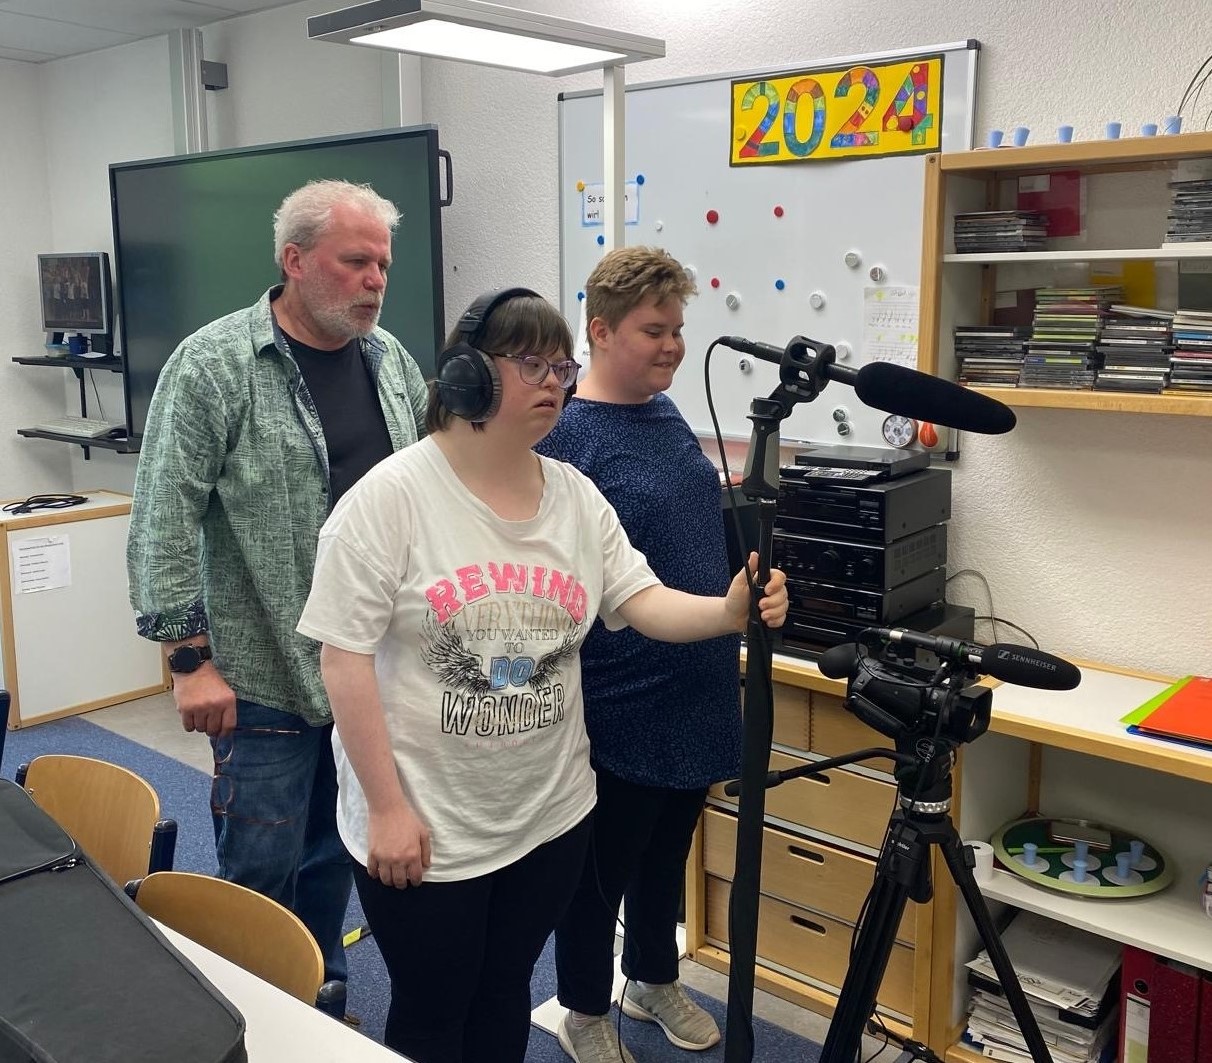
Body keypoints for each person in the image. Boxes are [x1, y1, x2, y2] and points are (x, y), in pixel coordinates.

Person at [294, 287, 788, 1063]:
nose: (556, 382)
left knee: (502, 995)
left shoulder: (575, 498)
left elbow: (641, 599)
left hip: (549, 816)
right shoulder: (387, 501)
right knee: (432, 1014)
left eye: (563, 365)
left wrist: (728, 613)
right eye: (532, 363)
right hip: (428, 827)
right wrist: (386, 808)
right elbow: (342, 656)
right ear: (466, 377)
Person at [126, 178, 429, 996]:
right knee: (263, 866)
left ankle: (322, 996)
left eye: (384, 265)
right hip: (262, 673)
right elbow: (161, 516)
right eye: (356, 261)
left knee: (336, 852)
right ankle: (257, 1012)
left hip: (365, 671)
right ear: (294, 261)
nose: (375, 280)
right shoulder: (214, 364)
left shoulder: (390, 361)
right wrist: (189, 660)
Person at [534, 246, 740, 1063]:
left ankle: (652, 978)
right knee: (599, 871)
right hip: (617, 696)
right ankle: (583, 1008)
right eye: (654, 330)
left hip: (696, 682)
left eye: (678, 329)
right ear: (599, 331)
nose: (672, 345)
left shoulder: (663, 415)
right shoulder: (567, 436)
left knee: (668, 854)